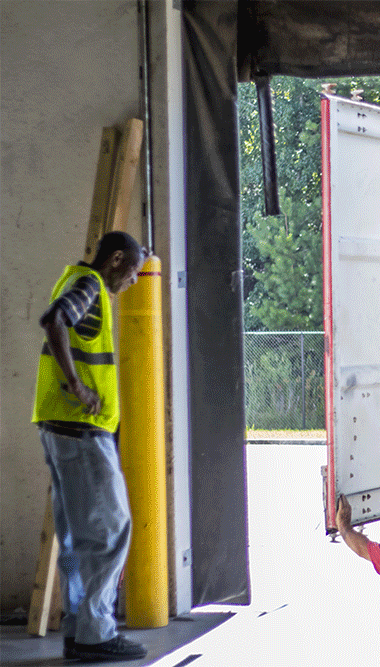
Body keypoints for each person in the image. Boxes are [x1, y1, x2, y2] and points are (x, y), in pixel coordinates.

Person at [32, 231, 148, 662]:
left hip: (61, 427)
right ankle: (96, 633)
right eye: (133, 270)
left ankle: (80, 629)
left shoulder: (74, 278)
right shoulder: (89, 287)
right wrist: (77, 386)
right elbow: (54, 320)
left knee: (78, 536)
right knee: (109, 531)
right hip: (82, 430)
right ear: (116, 259)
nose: (134, 280)